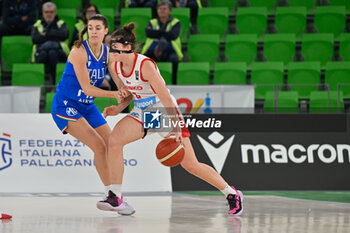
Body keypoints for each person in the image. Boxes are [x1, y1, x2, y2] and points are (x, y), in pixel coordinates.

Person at [98, 22, 243, 216]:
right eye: (111, 46)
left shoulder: (145, 65)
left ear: (128, 47)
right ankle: (116, 196)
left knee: (191, 165)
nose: (112, 49)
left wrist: (175, 128)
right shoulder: (115, 66)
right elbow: (130, 94)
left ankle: (231, 193)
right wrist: (117, 109)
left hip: (161, 109)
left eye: (115, 46)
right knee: (115, 141)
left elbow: (165, 97)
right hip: (142, 110)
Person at [51, 14, 133, 215]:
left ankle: (116, 193)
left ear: (106, 31)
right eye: (90, 27)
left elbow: (119, 81)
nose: (93, 31)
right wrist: (114, 94)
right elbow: (87, 88)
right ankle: (111, 196)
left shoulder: (107, 52)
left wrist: (124, 94)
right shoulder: (79, 51)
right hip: (66, 105)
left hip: (86, 106)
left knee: (113, 142)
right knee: (98, 145)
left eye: (98, 28)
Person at [142, 0, 183, 83]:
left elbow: (173, 35)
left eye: (164, 9)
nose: (162, 11)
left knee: (174, 60)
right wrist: (165, 34)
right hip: (152, 50)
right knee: (144, 61)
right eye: (160, 9)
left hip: (170, 50)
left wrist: (157, 33)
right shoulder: (152, 22)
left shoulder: (176, 22)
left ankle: (174, 83)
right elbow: (148, 33)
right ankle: (146, 83)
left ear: (170, 11)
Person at [31, 2, 70, 82]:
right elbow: (35, 39)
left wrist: (46, 34)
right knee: (44, 54)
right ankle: (38, 83)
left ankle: (55, 83)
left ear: (55, 13)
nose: (49, 14)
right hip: (42, 52)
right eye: (46, 12)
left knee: (52, 53)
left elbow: (64, 35)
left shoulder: (61, 23)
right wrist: (54, 35)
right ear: (42, 13)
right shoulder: (37, 24)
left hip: (60, 53)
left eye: (51, 12)